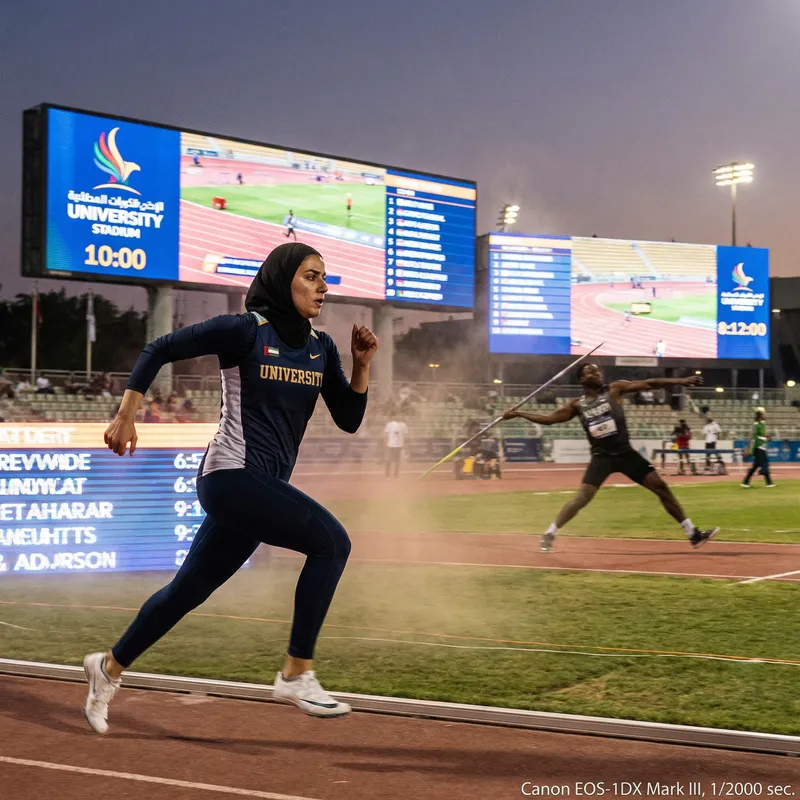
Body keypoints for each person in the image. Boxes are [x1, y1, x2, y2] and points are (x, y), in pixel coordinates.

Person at [82, 243, 378, 733]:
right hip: (230, 477)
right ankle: (296, 672)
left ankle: (107, 667)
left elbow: (348, 419)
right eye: (311, 276)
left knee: (187, 590)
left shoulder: (322, 347)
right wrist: (126, 414)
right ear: (283, 280)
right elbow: (159, 348)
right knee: (332, 543)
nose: (323, 286)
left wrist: (362, 366)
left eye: (325, 277)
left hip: (259, 487)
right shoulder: (245, 331)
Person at [502, 364, 718, 553]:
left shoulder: (615, 389)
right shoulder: (577, 405)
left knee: (661, 487)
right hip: (601, 457)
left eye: (597, 370)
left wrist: (681, 381)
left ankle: (693, 534)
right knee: (582, 499)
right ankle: (549, 534)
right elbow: (549, 420)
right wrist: (520, 414)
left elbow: (651, 383)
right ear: (582, 379)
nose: (596, 373)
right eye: (590, 371)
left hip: (625, 454)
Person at [741, 409, 775, 488]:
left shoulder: (760, 424)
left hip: (761, 446)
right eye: (764, 414)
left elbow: (762, 434)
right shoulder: (757, 425)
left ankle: (746, 481)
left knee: (756, 465)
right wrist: (748, 447)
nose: (765, 416)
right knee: (765, 464)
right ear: (760, 416)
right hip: (759, 446)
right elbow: (755, 436)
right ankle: (764, 474)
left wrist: (767, 437)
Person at [384, 412, 408, 478]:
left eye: (399, 415)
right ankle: (387, 475)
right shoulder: (389, 425)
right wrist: (385, 443)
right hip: (390, 445)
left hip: (399, 445)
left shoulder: (403, 425)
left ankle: (396, 475)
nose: (398, 416)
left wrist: (405, 444)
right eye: (396, 415)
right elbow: (386, 434)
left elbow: (406, 435)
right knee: (388, 460)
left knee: (397, 461)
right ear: (392, 416)